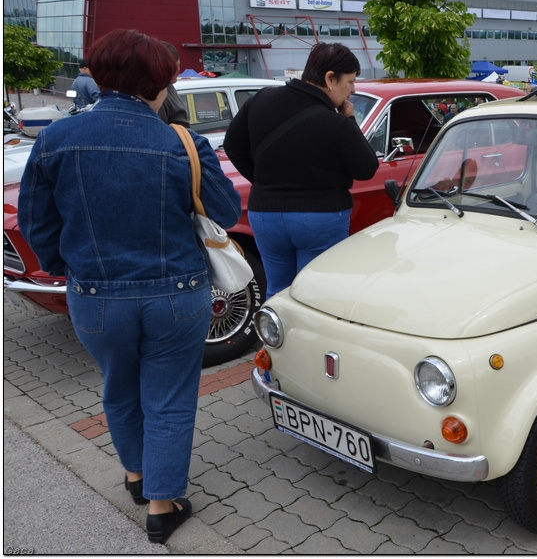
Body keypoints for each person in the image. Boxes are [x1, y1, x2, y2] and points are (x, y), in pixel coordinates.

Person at [18, 29, 241, 543]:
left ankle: (137, 477)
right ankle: (163, 505)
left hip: (95, 297)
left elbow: (37, 221)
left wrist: (64, 264)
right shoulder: (181, 141)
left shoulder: (55, 139)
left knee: (119, 386)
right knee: (170, 395)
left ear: (97, 75)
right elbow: (226, 212)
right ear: (162, 84)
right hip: (177, 294)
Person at [223, 43, 379, 297]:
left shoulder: (261, 99)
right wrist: (350, 119)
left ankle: (275, 336)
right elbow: (365, 168)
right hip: (319, 218)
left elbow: (233, 145)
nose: (353, 90)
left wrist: (263, 179)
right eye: (350, 82)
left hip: (265, 213)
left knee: (277, 289)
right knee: (315, 293)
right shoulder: (336, 123)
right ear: (330, 78)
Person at [157, 41, 190, 128]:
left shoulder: (169, 86)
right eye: (173, 68)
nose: (178, 71)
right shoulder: (156, 94)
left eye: (178, 65)